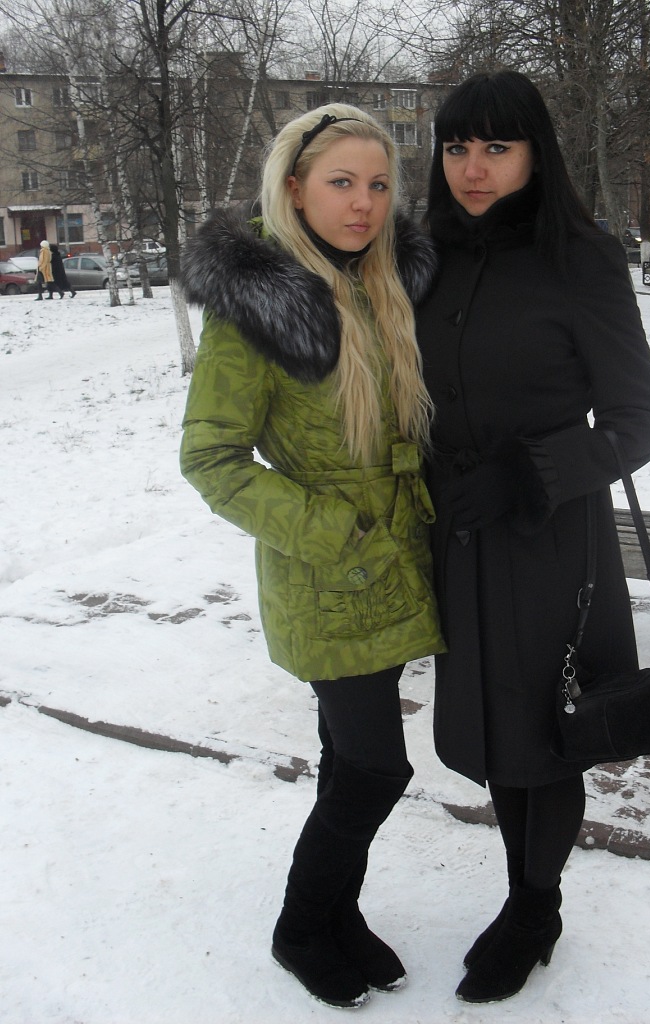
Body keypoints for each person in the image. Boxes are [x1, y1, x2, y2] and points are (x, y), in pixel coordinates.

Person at [179, 104, 444, 1009]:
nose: (364, 203)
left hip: (394, 568)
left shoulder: (385, 284)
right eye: (342, 183)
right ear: (293, 188)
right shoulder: (263, 306)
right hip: (329, 577)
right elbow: (211, 458)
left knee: (347, 760)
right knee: (376, 768)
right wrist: (334, 534)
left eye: (378, 185)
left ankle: (339, 914)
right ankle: (300, 928)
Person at [416, 70, 650, 1005]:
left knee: (544, 733)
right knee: (491, 730)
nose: (473, 168)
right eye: (457, 148)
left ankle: (534, 907)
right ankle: (523, 890)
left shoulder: (580, 260)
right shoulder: (424, 258)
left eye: (497, 147)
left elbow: (639, 420)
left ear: (536, 153)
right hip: (458, 538)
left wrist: (531, 472)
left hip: (550, 541)